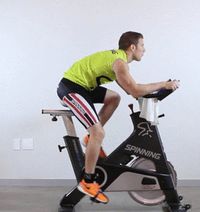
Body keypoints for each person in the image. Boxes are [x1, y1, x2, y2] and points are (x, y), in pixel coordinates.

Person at [57, 31, 179, 203]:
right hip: (71, 88)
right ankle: (88, 181)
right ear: (132, 47)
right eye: (142, 45)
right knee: (99, 133)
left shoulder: (119, 61)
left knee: (114, 98)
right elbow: (135, 89)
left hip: (85, 88)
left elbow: (132, 91)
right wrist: (164, 84)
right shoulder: (120, 63)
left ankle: (90, 138)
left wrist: (151, 93)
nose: (145, 50)